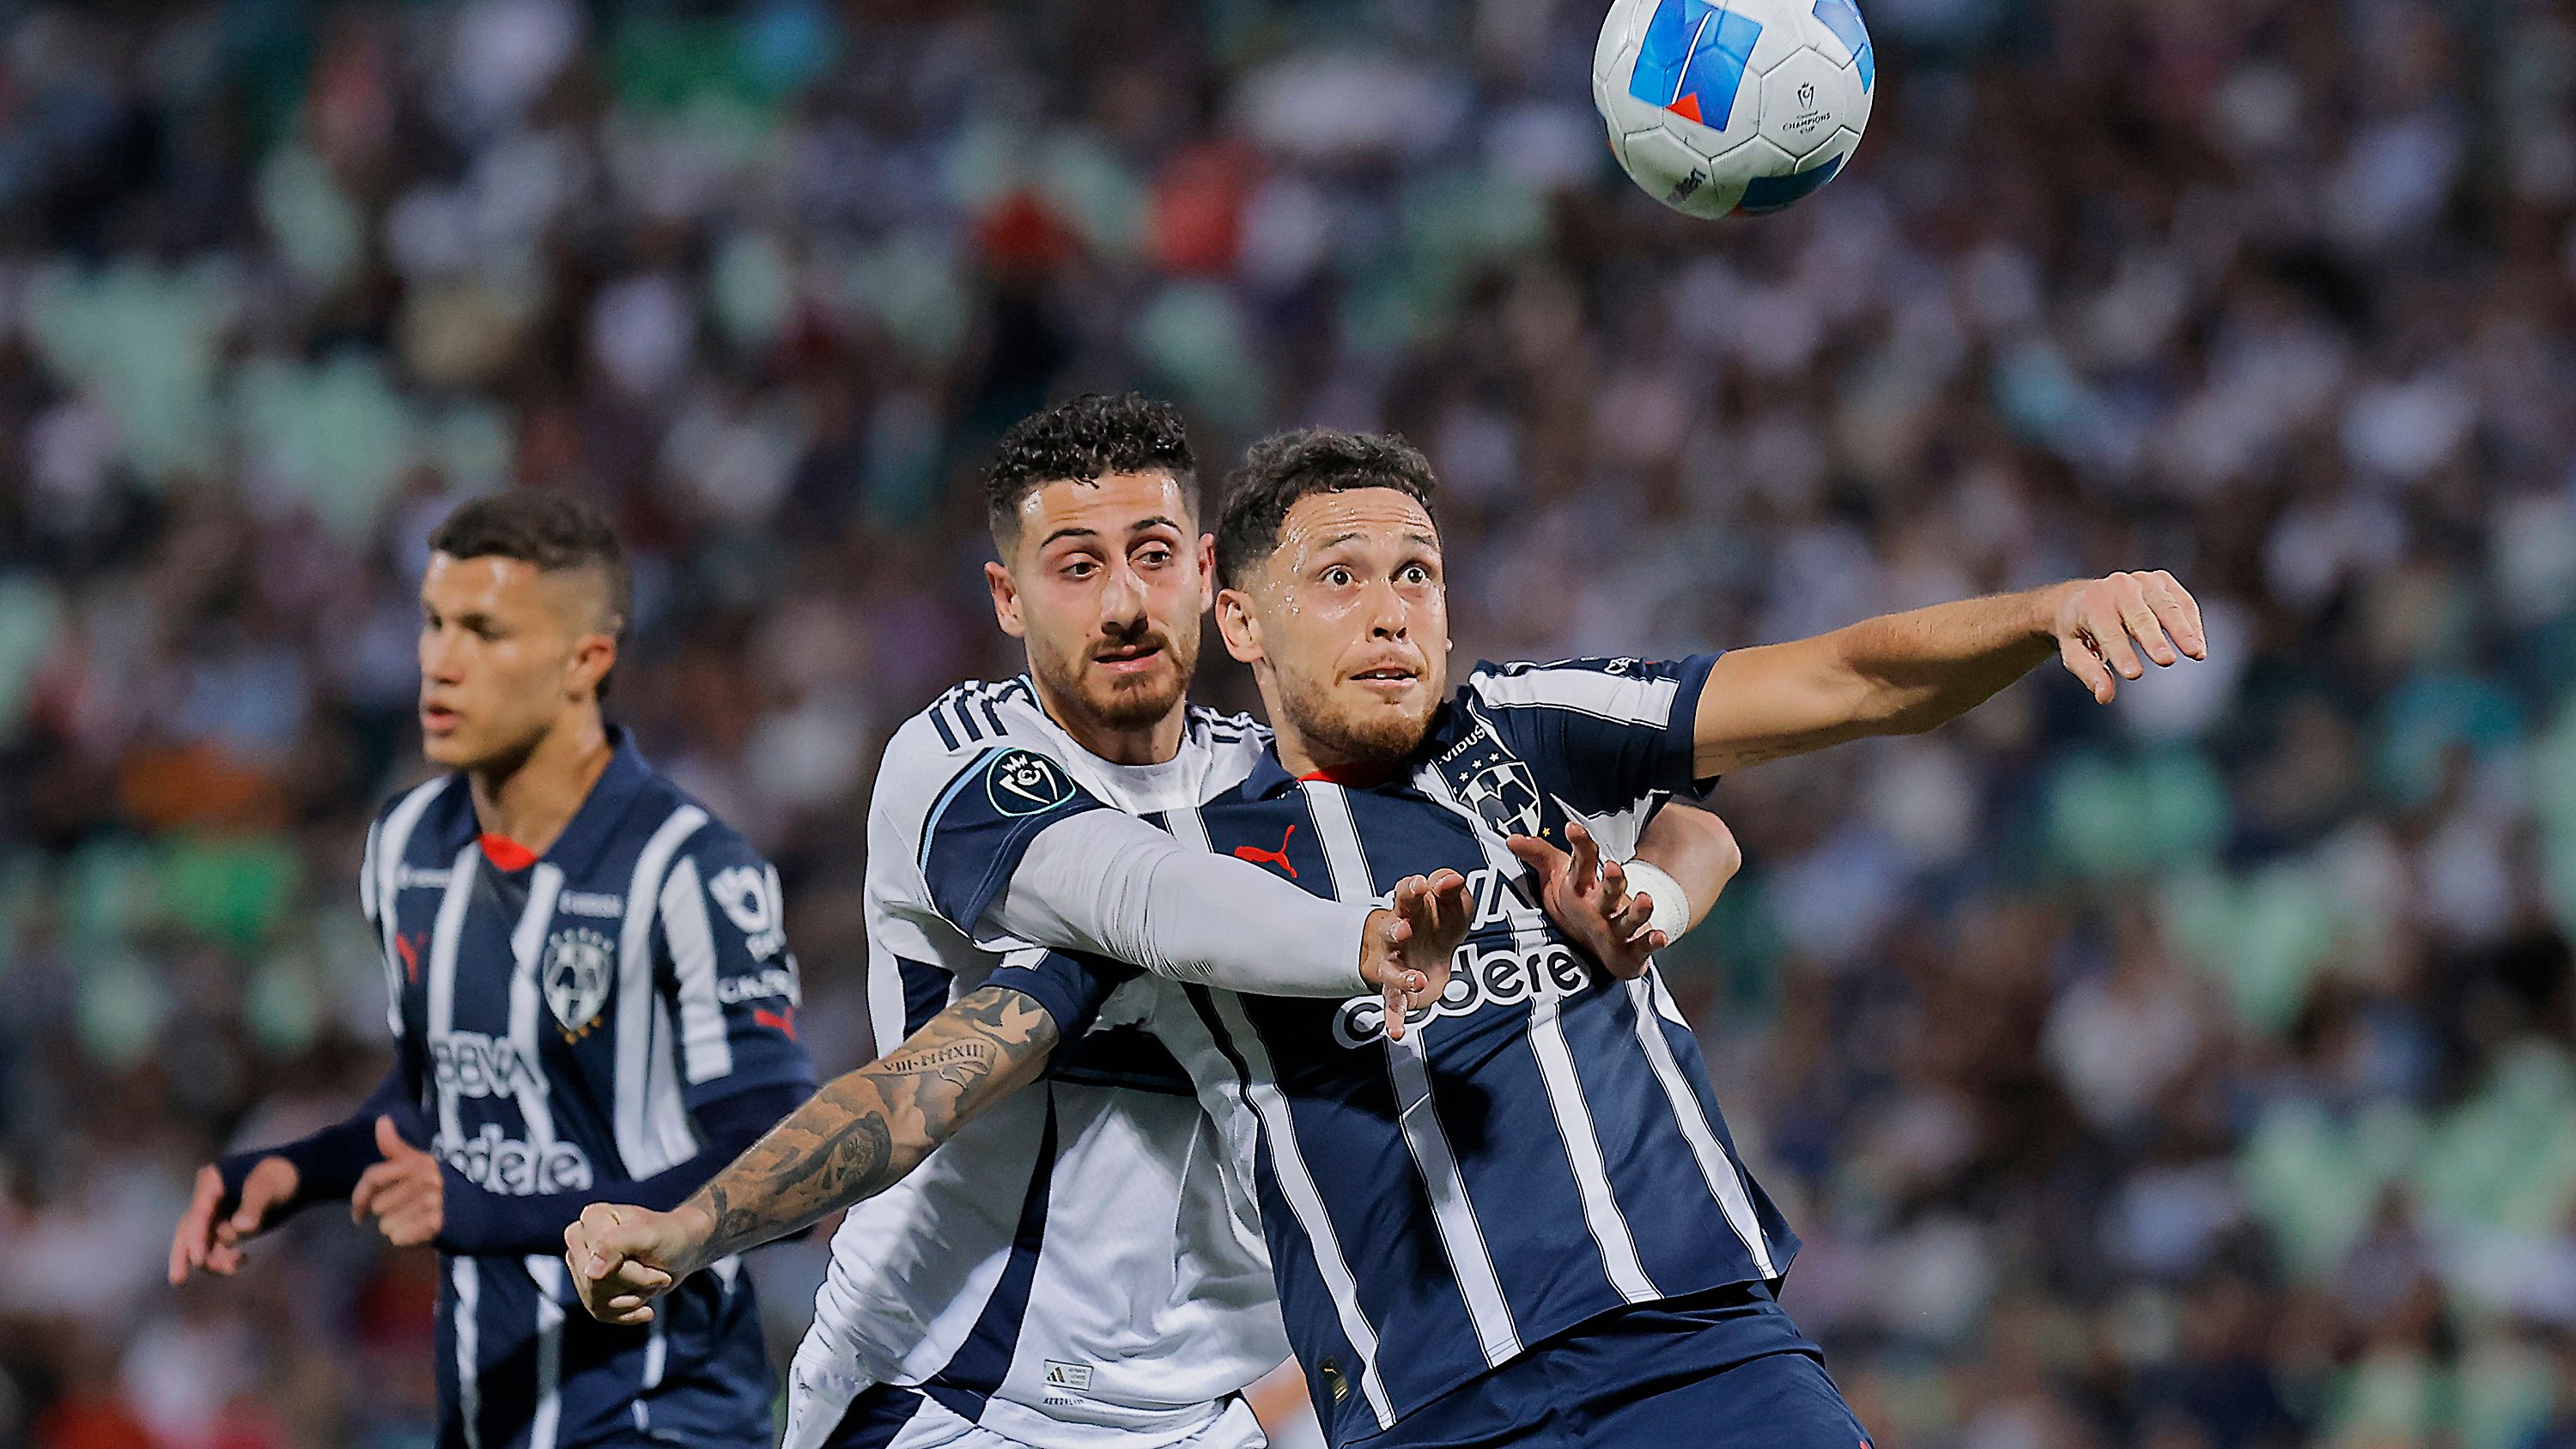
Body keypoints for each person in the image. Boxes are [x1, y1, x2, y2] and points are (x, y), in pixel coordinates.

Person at [574, 393, 1744, 1449]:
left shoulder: (1283, 788)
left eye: (1149, 557)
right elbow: (1021, 1004)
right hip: (955, 1395)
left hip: (1207, 1418)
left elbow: (1680, 811)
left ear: (1206, 577)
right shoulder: (962, 761)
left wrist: (1645, 900)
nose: (1125, 603)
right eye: (1075, 567)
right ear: (1007, 596)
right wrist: (695, 1229)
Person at [166, 493, 821, 1449]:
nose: (439, 659)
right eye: (433, 623)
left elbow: (778, 1154)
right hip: (488, 1406)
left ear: (584, 661)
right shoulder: (407, 845)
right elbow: (441, 1093)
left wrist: (489, 1210)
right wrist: (295, 1170)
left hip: (661, 1406)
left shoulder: (691, 866)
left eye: (486, 630)